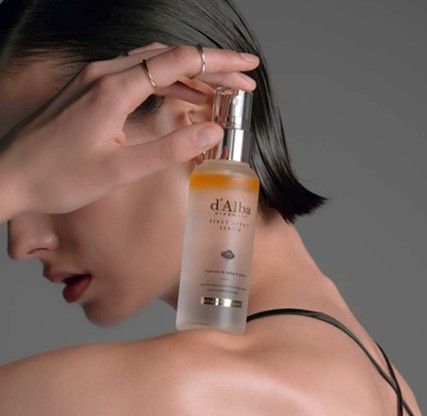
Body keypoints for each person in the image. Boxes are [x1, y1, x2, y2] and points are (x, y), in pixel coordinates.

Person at [0, 1, 421, 415]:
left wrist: (12, 183)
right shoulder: (386, 386)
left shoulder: (186, 389)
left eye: (51, 165)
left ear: (203, 118)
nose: (19, 244)